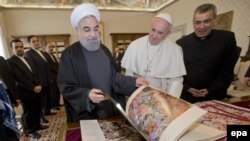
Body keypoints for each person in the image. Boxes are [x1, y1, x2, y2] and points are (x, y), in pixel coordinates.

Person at [57, 3, 148, 122]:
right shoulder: (69, 55)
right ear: (77, 30)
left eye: (95, 28)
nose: (93, 34)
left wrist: (134, 81)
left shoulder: (104, 50)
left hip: (109, 109)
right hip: (87, 113)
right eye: (87, 29)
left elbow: (114, 78)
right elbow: (65, 87)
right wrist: (87, 94)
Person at [176, 3, 239, 103]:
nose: (202, 27)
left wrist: (211, 89)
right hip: (187, 96)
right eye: (198, 22)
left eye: (207, 21)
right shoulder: (181, 43)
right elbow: (177, 71)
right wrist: (187, 88)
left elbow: (227, 70)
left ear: (214, 19)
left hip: (215, 95)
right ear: (193, 22)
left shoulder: (227, 39)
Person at [121, 13, 186, 97]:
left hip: (162, 97)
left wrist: (170, 100)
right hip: (138, 94)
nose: (154, 35)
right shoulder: (135, 45)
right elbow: (129, 74)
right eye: (153, 30)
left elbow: (176, 81)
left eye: (160, 33)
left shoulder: (175, 50)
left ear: (168, 33)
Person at [8, 39, 50, 139]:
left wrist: (39, 84)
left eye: (20, 46)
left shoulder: (28, 58)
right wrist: (33, 87)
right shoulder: (10, 61)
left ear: (23, 47)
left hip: (37, 89)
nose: (19, 49)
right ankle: (30, 130)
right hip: (25, 91)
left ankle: (37, 125)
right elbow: (19, 78)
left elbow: (37, 72)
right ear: (12, 49)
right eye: (16, 47)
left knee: (37, 108)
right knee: (29, 112)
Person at [24, 35, 55, 125]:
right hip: (39, 83)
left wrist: (50, 78)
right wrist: (38, 83)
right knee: (40, 101)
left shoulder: (42, 52)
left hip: (47, 80)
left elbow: (46, 67)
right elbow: (33, 71)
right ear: (29, 43)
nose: (36, 42)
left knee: (47, 98)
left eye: (37, 40)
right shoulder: (28, 54)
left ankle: (47, 111)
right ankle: (41, 117)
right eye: (33, 41)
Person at [0, 56, 20, 141]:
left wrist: (15, 97)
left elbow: (9, 80)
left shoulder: (1, 59)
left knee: (12, 131)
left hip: (6, 100)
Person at [43, 42, 62, 110]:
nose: (51, 48)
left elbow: (56, 65)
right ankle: (53, 105)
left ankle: (57, 103)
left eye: (52, 47)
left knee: (57, 90)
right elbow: (49, 66)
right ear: (45, 47)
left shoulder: (53, 55)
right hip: (51, 76)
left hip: (56, 75)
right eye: (49, 47)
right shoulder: (44, 55)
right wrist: (57, 70)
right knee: (53, 91)